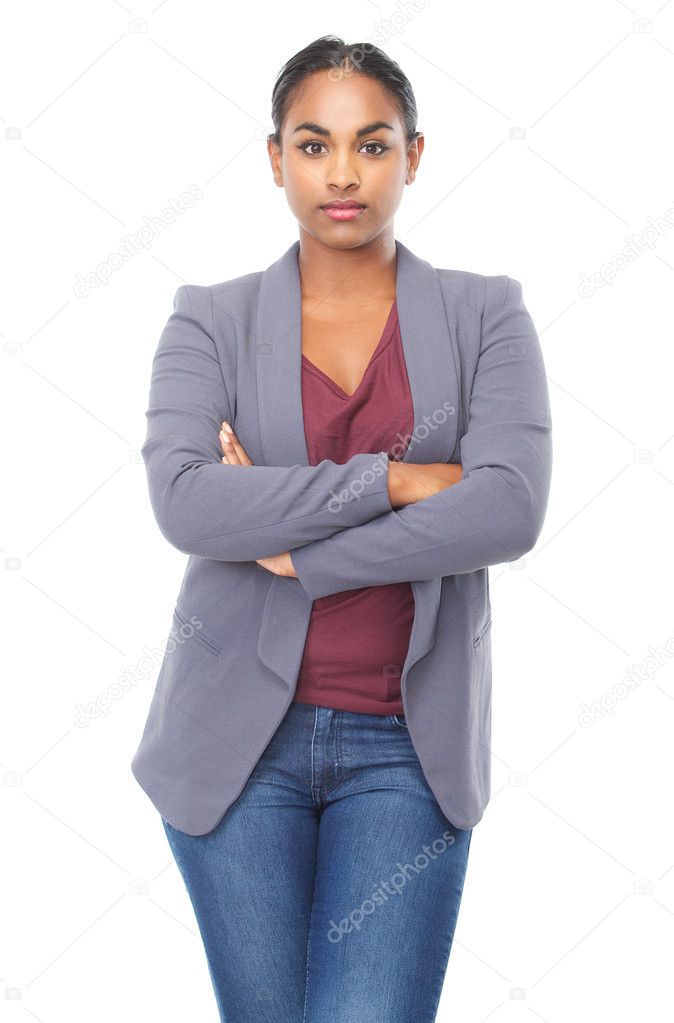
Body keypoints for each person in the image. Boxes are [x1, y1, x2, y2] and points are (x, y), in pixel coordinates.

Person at [132, 34, 552, 1023]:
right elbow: (186, 503)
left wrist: (296, 551)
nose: (342, 174)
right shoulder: (210, 320)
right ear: (275, 158)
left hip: (406, 748)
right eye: (313, 144)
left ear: (412, 155)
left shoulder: (485, 314)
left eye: (371, 144)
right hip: (234, 751)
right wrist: (397, 480)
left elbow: (506, 506)